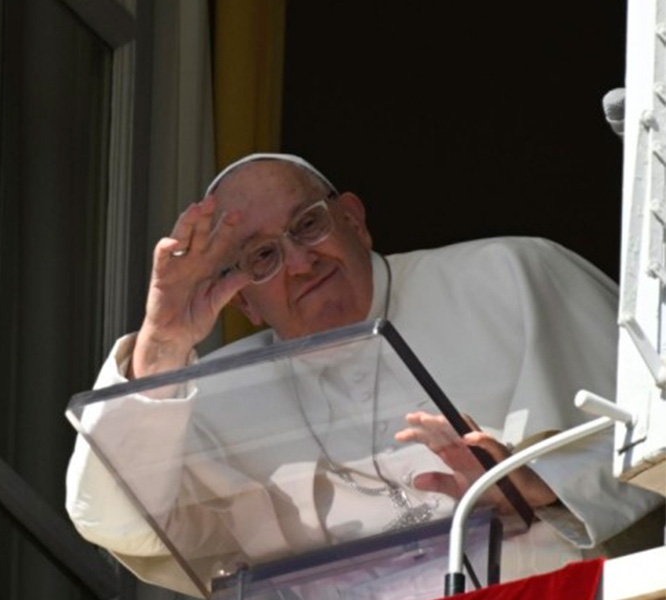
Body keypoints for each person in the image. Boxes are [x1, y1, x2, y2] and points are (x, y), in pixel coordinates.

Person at [65, 153, 664, 597]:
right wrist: (163, 344)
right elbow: (116, 524)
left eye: (307, 226)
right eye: (262, 258)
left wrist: (537, 485)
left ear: (353, 219)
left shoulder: (514, 276)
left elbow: (656, 438)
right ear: (242, 301)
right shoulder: (207, 396)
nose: (300, 263)